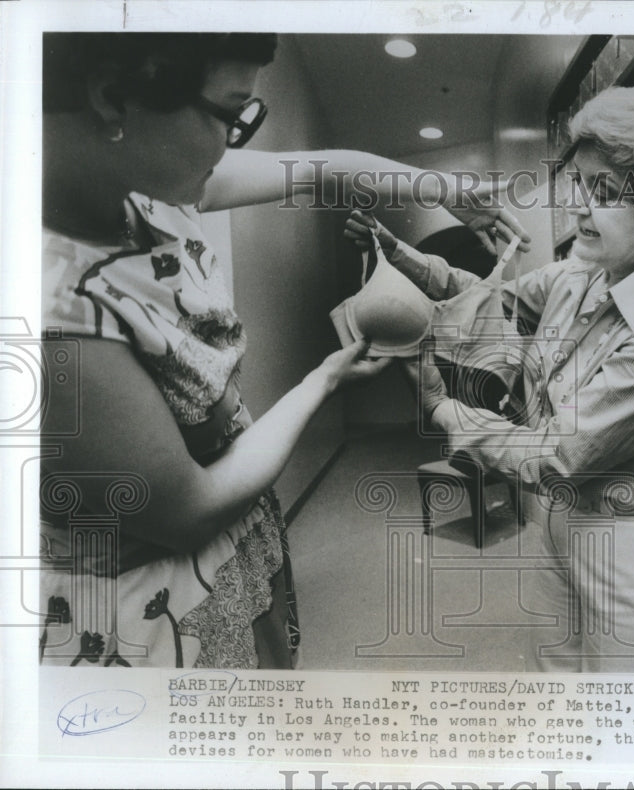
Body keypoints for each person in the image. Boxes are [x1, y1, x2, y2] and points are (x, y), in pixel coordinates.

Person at [39, 32, 527, 669]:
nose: (231, 142)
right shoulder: (50, 307)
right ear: (112, 99)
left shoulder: (148, 185)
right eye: (231, 111)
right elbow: (187, 510)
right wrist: (321, 381)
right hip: (146, 604)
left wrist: (444, 192)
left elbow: (324, 167)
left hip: (237, 535)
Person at [345, 82, 634, 673]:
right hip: (556, 517)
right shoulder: (585, 270)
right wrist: (399, 255)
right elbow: (490, 298)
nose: (579, 207)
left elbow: (558, 454)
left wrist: (444, 410)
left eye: (603, 192)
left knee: (630, 730)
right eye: (582, 185)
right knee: (560, 692)